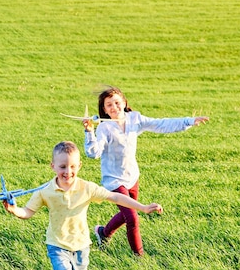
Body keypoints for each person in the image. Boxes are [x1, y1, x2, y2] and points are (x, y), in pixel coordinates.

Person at [3, 141, 162, 270]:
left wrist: (142, 207)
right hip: (57, 244)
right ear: (53, 166)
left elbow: (114, 197)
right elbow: (28, 212)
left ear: (79, 165)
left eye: (72, 166)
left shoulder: (86, 187)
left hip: (81, 244)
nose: (68, 171)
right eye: (63, 166)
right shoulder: (45, 191)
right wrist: (14, 210)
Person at [83, 86, 208, 256]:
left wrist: (188, 121)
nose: (114, 107)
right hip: (114, 180)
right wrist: (89, 132)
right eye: (109, 105)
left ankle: (103, 233)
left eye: (117, 102)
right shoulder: (104, 128)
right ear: (104, 109)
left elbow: (160, 124)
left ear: (124, 102)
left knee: (128, 212)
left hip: (132, 176)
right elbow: (93, 153)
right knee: (132, 218)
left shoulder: (134, 119)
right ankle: (139, 257)